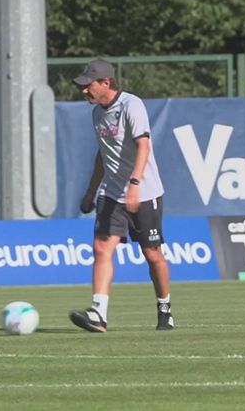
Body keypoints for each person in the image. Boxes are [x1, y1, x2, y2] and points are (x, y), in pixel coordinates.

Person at [69, 59, 174, 332]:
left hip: (145, 192)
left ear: (106, 83)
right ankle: (98, 313)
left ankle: (165, 308)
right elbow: (103, 155)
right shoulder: (97, 113)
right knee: (101, 247)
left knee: (153, 254)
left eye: (89, 85)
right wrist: (91, 190)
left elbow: (143, 146)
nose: (84, 91)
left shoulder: (131, 105)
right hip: (112, 192)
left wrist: (135, 183)